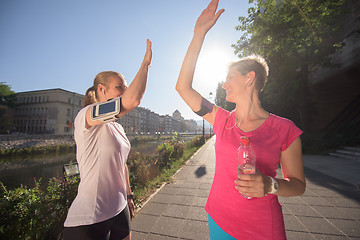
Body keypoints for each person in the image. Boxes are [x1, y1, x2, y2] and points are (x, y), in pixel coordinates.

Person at [175, 1, 306, 239]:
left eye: (229, 77)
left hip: (262, 229)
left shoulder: (284, 129)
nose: (224, 84)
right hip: (218, 219)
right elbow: (183, 88)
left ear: (250, 78)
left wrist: (270, 185)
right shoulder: (221, 120)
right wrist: (199, 34)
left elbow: (298, 184)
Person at [63, 39, 152, 240]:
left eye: (125, 87)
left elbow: (122, 165)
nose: (125, 91)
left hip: (119, 208)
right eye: (119, 87)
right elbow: (133, 100)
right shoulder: (87, 114)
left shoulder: (117, 127)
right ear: (102, 90)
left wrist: (128, 195)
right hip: (90, 216)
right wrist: (145, 65)